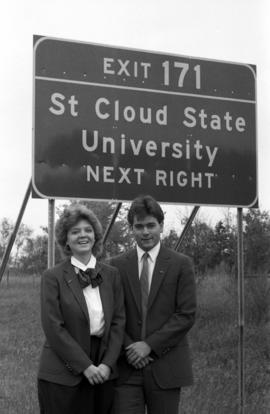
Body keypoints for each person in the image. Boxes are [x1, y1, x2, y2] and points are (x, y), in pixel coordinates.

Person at [110, 195, 196, 414]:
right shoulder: (116, 266)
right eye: (139, 226)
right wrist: (131, 348)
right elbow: (112, 314)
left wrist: (148, 345)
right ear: (131, 228)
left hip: (166, 366)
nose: (145, 232)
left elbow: (185, 314)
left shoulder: (181, 264)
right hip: (126, 366)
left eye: (151, 225)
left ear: (161, 226)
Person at [37, 203, 125, 414]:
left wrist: (107, 365)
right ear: (65, 239)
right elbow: (53, 327)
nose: (82, 235)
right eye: (75, 232)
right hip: (63, 372)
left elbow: (118, 323)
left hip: (104, 371)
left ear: (95, 235)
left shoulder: (112, 275)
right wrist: (84, 366)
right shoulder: (52, 277)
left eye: (87, 230)